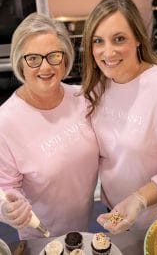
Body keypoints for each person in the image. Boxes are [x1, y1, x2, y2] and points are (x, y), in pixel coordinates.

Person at [81, 0, 157, 254]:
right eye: (98, 41)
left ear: (137, 39)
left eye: (119, 39)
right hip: (115, 214)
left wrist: (139, 199)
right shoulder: (97, 87)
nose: (107, 52)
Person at [0, 12, 99, 240]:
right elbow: (5, 187)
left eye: (53, 55)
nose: (45, 67)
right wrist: (9, 209)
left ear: (65, 58)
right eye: (33, 58)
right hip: (40, 236)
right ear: (20, 63)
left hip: (83, 226)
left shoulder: (83, 98)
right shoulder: (6, 121)